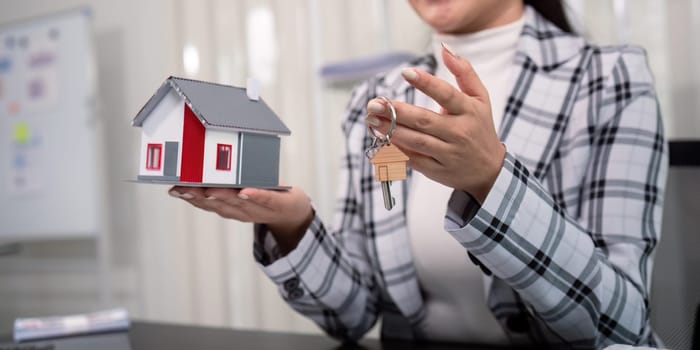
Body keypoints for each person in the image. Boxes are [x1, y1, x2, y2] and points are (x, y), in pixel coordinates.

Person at [169, 0, 668, 348]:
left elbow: (619, 324)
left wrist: (490, 181)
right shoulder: (378, 98)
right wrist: (294, 226)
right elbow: (354, 314)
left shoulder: (610, 80)